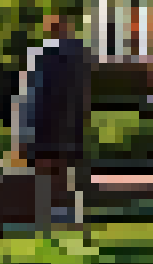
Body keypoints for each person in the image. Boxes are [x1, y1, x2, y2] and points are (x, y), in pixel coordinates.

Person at [11, 12, 93, 228]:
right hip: (66, 128)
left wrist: (22, 133)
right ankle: (60, 216)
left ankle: (47, 217)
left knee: (46, 173)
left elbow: (29, 96)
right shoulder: (80, 55)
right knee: (60, 173)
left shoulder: (42, 54)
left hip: (43, 127)